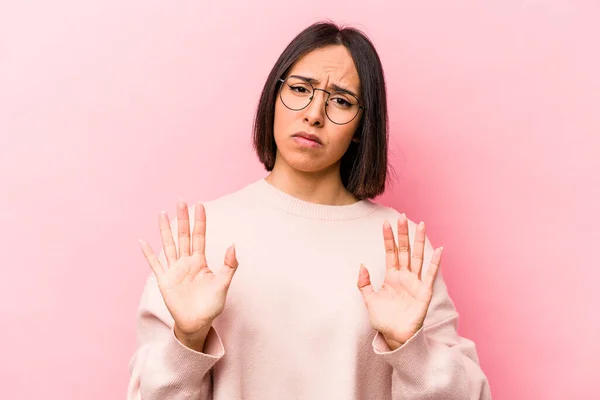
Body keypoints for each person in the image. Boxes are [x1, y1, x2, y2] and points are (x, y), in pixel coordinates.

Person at [127, 21, 492, 399]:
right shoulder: (204, 236)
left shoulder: (400, 249)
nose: (314, 113)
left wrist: (411, 348)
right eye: (300, 89)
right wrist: (188, 338)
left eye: (341, 100)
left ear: (361, 127)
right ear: (273, 96)